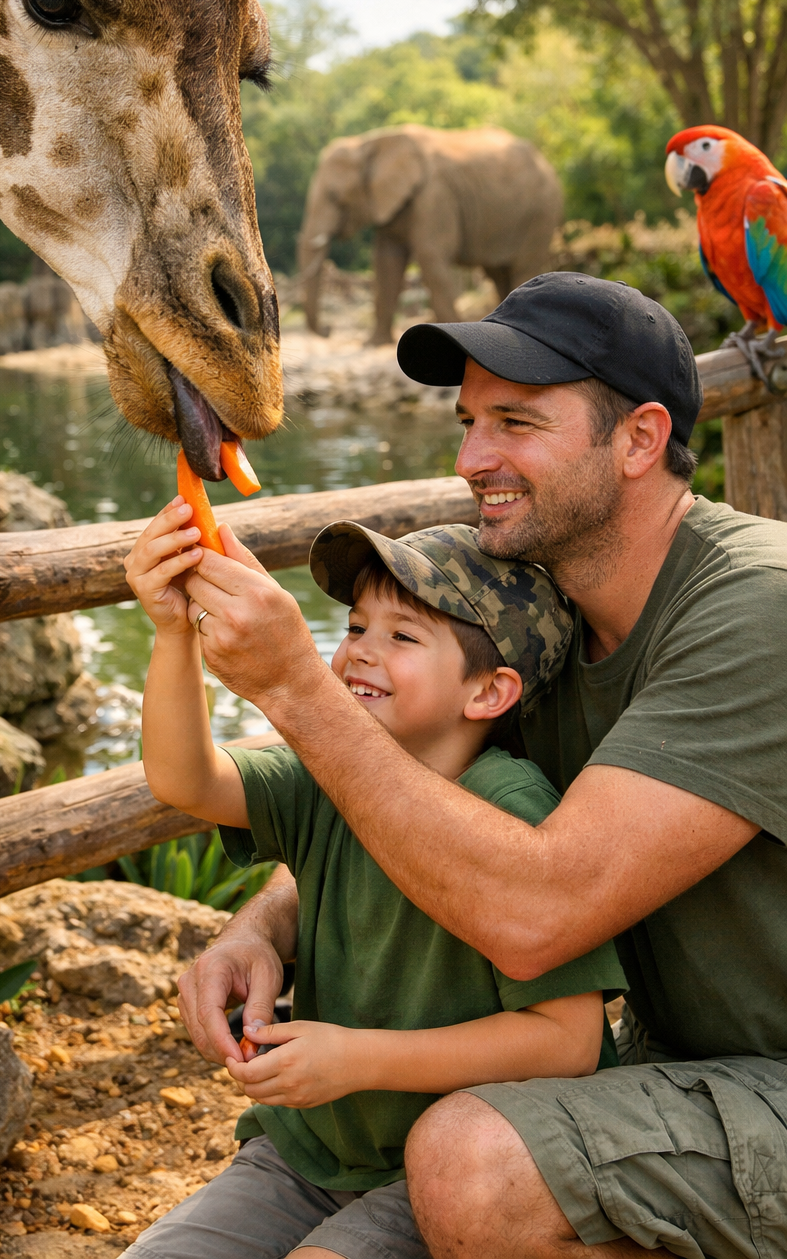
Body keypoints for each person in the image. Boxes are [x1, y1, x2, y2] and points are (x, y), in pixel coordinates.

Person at [168, 272, 787, 1259]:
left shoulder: (758, 611)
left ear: (636, 441)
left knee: (473, 1157)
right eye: (467, 421)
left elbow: (538, 916)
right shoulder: (546, 625)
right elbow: (451, 818)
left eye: (515, 422)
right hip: (684, 1073)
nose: (470, 458)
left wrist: (294, 688)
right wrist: (267, 925)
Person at [122, 509, 627, 1259]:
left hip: (451, 1167)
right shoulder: (324, 774)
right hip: (310, 1155)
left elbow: (571, 1040)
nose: (360, 653)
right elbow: (185, 777)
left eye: (402, 636)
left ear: (488, 693)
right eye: (356, 628)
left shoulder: (512, 812)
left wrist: (356, 1059)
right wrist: (172, 633)